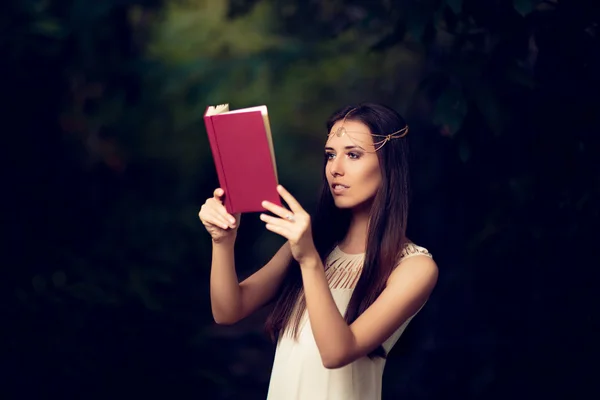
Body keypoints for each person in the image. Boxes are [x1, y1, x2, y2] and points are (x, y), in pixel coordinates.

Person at [198, 103, 439, 400]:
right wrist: (222, 241)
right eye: (330, 155)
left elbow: (338, 352)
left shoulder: (414, 267)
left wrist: (309, 260)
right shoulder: (314, 243)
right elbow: (228, 311)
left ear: (390, 164)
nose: (335, 169)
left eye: (353, 154)